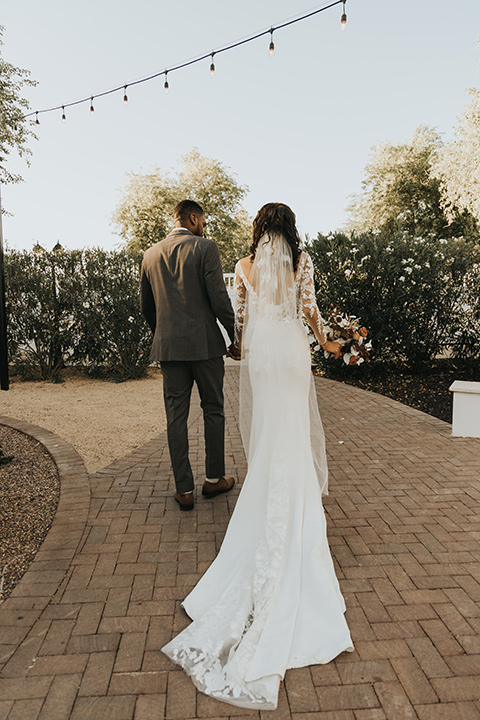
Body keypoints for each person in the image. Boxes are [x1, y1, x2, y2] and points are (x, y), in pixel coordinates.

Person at [162, 202, 353, 709]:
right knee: (292, 431)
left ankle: (266, 502)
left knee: (269, 434)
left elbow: (241, 324)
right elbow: (310, 312)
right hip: (291, 351)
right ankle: (297, 511)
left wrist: (242, 350)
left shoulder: (244, 268)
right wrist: (332, 344)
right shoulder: (303, 262)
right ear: (290, 229)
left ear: (258, 231)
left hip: (262, 357)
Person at [140, 200, 236, 511]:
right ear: (193, 218)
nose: (203, 227)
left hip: (170, 350)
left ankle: (184, 490)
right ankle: (213, 479)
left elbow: (147, 307)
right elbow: (219, 297)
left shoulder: (149, 254)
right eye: (203, 221)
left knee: (175, 417)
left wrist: (165, 334)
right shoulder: (205, 247)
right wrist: (234, 335)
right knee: (213, 409)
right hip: (205, 346)